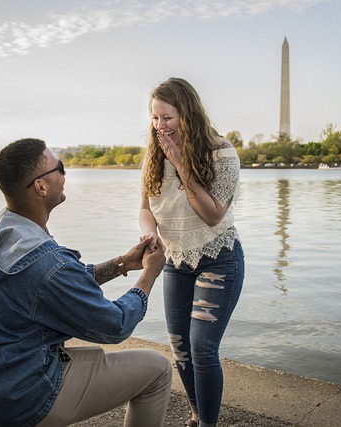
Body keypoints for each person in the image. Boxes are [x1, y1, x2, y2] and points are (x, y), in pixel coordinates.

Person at [0, 138, 172, 427]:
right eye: (59, 168)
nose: (65, 173)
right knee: (157, 369)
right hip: (21, 401)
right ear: (41, 187)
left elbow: (50, 288)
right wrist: (149, 274)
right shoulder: (46, 263)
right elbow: (115, 324)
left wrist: (121, 263)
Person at [139, 78, 245, 427]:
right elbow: (145, 208)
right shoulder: (153, 156)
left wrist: (183, 163)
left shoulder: (222, 153)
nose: (160, 126)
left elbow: (213, 214)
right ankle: (198, 414)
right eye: (155, 119)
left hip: (219, 259)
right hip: (176, 261)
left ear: (188, 113)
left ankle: (208, 424)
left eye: (166, 118)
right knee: (180, 348)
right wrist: (149, 233)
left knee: (201, 348)